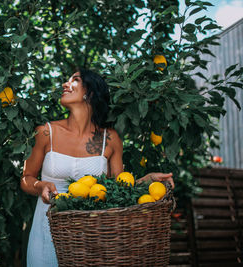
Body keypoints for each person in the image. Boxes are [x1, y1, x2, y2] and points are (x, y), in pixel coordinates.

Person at [20, 68, 174, 267]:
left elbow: (119, 190)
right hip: (47, 228)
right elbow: (26, 178)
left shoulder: (110, 140)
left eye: (74, 80)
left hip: (90, 237)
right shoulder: (45, 132)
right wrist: (39, 185)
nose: (65, 85)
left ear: (89, 92)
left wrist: (148, 180)